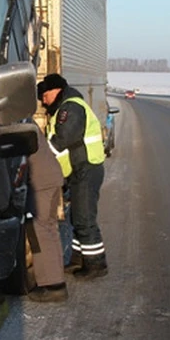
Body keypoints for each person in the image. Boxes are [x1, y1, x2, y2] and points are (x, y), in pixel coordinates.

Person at [36, 73, 108, 279]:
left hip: (87, 169)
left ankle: (96, 265)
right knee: (77, 217)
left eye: (44, 95)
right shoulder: (63, 108)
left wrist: (39, 157)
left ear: (55, 90)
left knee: (85, 218)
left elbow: (62, 140)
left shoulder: (70, 107)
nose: (43, 100)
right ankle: (79, 259)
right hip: (79, 170)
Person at [25, 123, 68, 302]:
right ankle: (56, 278)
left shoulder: (16, 123)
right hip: (50, 177)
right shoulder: (24, 119)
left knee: (39, 229)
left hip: (42, 182)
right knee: (49, 228)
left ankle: (53, 286)